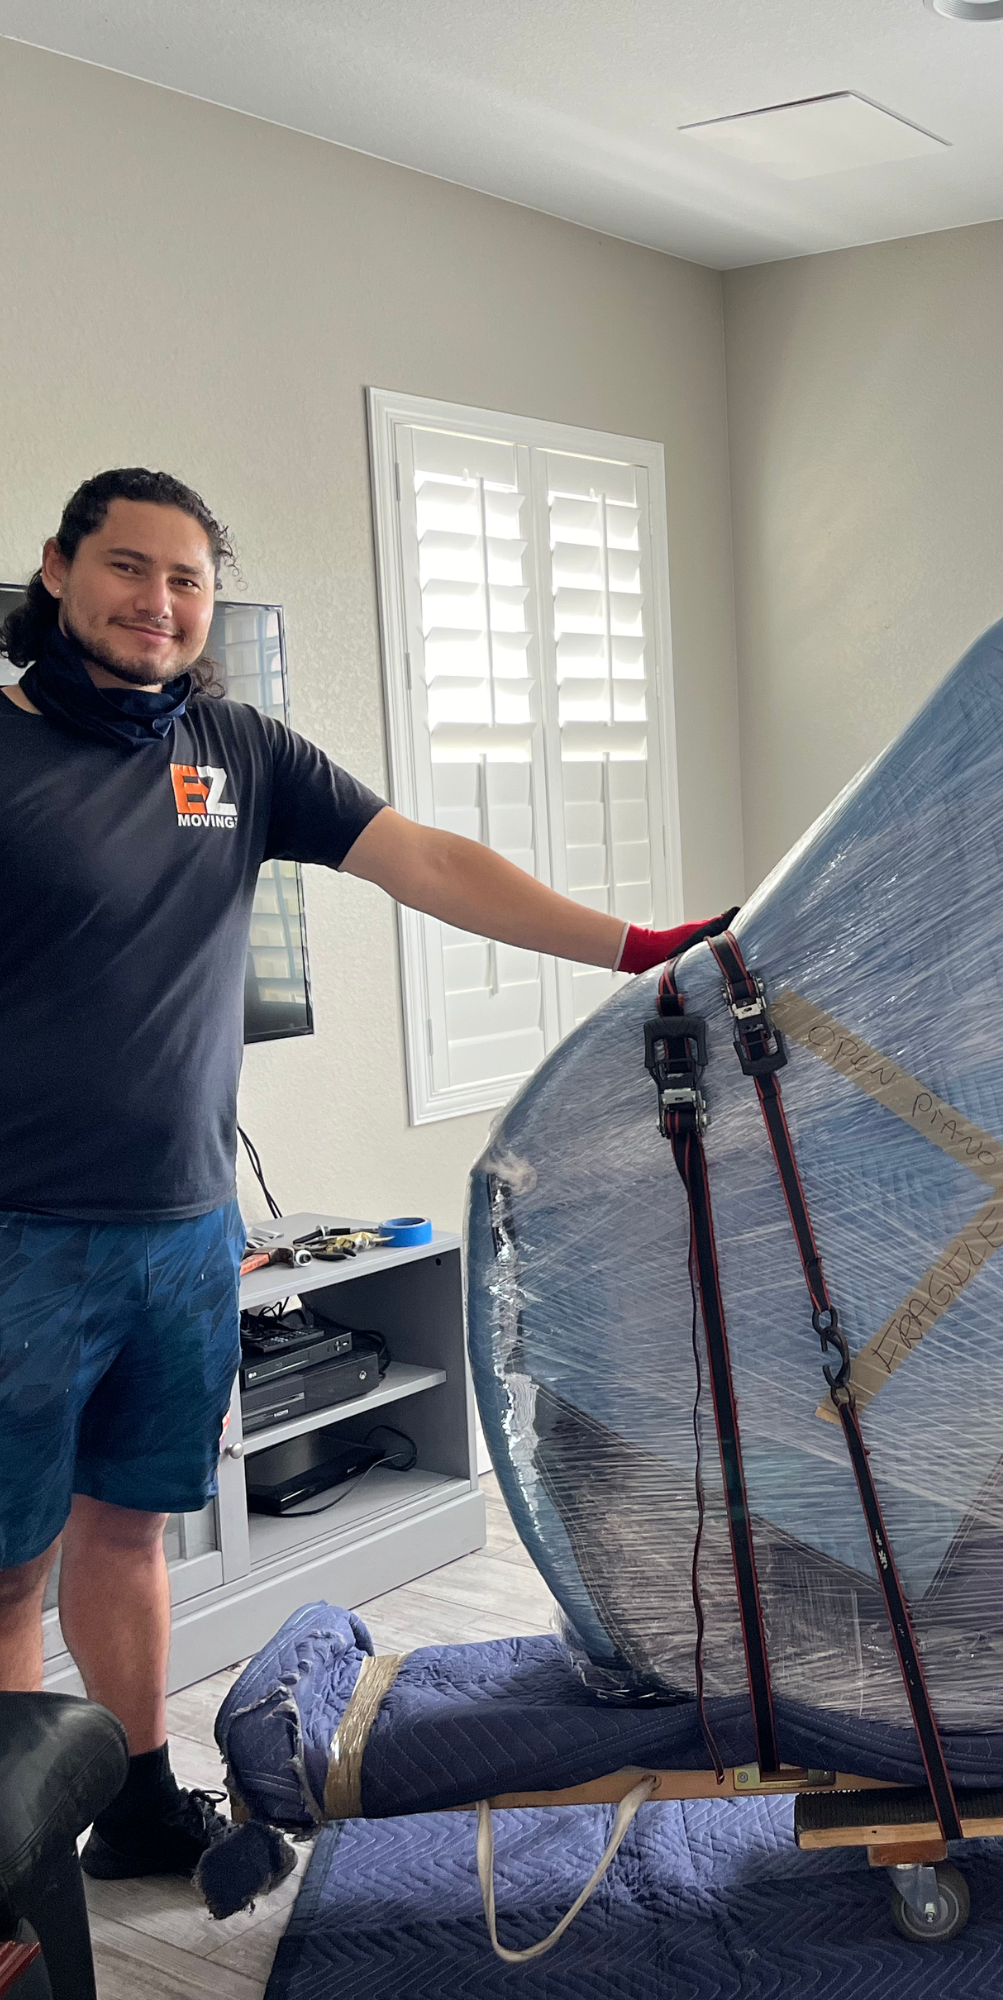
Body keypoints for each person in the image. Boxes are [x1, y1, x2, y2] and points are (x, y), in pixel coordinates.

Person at [0, 468, 732, 1883]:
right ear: (59, 569)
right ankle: (15, 1864)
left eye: (188, 578)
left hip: (183, 1227)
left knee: (132, 1525)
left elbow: (431, 864)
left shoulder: (235, 750)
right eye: (130, 568)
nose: (159, 602)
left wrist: (642, 949)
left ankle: (142, 1800)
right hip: (19, 1236)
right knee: (8, 1563)